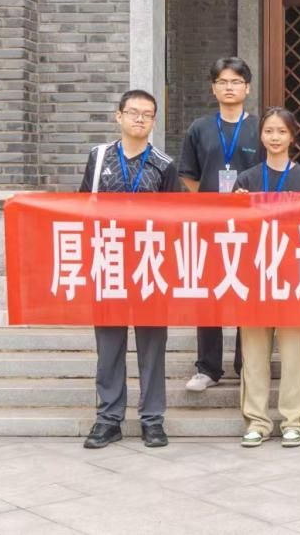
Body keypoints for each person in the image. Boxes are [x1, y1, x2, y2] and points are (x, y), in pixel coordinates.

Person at [79, 89, 181, 450]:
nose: (140, 119)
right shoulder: (99, 158)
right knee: (109, 346)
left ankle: (152, 419)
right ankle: (108, 419)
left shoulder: (164, 164)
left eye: (147, 114)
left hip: (150, 264)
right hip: (108, 260)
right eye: (133, 112)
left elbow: (176, 218)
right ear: (118, 116)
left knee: (152, 346)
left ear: (154, 121)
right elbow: (80, 207)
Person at [232, 106, 300, 448]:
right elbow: (232, 230)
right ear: (261, 136)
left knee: (294, 355)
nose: (274, 137)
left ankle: (293, 421)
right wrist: (235, 207)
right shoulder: (246, 180)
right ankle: (256, 421)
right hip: (254, 278)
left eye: (281, 132)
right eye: (269, 131)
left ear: (293, 136)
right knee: (254, 356)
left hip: (292, 278)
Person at [179, 57, 261, 393]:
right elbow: (188, 174)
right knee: (209, 294)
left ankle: (246, 364)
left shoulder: (260, 127)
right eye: (223, 82)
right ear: (213, 88)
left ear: (247, 88)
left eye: (236, 82)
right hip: (210, 225)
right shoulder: (199, 128)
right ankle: (208, 367)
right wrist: (211, 202)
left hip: (249, 225)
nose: (229, 87)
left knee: (247, 292)